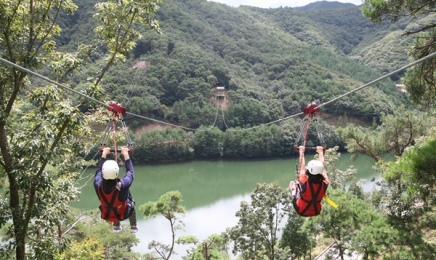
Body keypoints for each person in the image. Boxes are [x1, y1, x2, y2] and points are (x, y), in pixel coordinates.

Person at [94, 146, 138, 233]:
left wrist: (103, 155)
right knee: (131, 203)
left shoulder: (97, 184)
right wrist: (126, 154)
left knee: (112, 203)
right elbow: (130, 172)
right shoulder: (123, 185)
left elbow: (98, 171)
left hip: (108, 214)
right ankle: (133, 226)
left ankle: (116, 226)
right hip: (124, 213)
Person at [289, 146, 329, 217]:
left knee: (297, 191)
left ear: (308, 171)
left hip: (301, 210)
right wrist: (320, 152)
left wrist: (301, 152)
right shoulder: (325, 183)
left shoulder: (304, 181)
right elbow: (322, 166)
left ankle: (293, 190)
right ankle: (296, 189)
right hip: (316, 211)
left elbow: (302, 167)